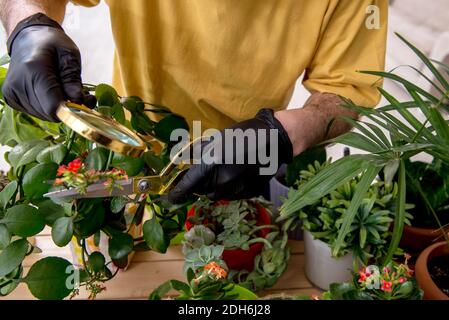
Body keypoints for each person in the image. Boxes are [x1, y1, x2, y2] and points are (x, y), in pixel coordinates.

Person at [0, 0, 387, 203]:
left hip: (247, 168)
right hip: (136, 144)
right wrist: (29, 23)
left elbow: (349, 91)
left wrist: (281, 135)